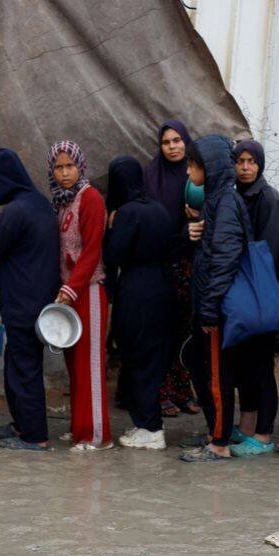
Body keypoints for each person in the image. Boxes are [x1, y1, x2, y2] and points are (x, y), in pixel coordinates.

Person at [0, 148, 60, 452]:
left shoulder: (16, 212)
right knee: (17, 364)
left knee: (24, 369)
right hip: (35, 299)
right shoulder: (36, 203)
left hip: (24, 303)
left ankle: (35, 436)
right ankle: (21, 424)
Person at [178, 135, 247, 463]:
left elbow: (225, 259)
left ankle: (220, 443)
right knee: (204, 369)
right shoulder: (215, 200)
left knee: (217, 375)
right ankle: (213, 431)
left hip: (217, 307)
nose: (189, 171)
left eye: (193, 165)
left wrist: (209, 308)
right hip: (209, 302)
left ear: (210, 168)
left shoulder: (226, 203)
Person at [104, 155, 174, 450]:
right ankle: (147, 422)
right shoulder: (158, 209)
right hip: (163, 288)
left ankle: (150, 427)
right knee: (153, 359)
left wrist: (110, 228)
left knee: (137, 357)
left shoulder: (127, 213)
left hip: (136, 290)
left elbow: (112, 256)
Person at [49, 140, 112, 452]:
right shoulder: (62, 202)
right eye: (59, 167)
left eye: (69, 166)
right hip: (69, 294)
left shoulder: (91, 199)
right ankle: (80, 428)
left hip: (88, 291)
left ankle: (97, 436)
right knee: (75, 365)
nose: (64, 173)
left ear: (80, 166)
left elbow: (91, 251)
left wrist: (70, 289)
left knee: (91, 365)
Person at [226, 139, 279, 457]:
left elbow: (267, 255)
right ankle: (247, 426)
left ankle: (264, 434)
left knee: (261, 366)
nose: (245, 167)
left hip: (261, 293)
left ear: (260, 164)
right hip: (242, 292)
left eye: (251, 161)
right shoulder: (237, 196)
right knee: (243, 364)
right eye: (240, 161)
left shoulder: (268, 200)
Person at [143, 120, 200, 417]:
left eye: (178, 140)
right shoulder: (151, 177)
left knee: (186, 331)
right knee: (163, 330)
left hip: (191, 263)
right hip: (161, 264)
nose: (173, 146)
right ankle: (162, 391)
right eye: (167, 142)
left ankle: (182, 389)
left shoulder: (197, 175)